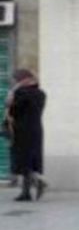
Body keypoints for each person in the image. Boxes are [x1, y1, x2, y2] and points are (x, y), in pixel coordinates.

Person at [5, 69, 46, 201]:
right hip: (35, 129)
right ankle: (26, 192)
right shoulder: (41, 93)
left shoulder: (20, 93)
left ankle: (37, 184)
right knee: (29, 161)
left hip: (21, 131)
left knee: (22, 161)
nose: (14, 82)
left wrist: (11, 96)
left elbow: (13, 110)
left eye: (16, 80)